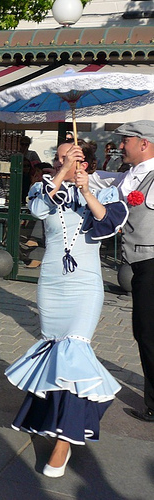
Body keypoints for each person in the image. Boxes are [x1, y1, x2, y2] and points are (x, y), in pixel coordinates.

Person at [5, 140, 128, 477]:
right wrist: (60, 175)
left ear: (85, 162)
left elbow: (108, 224)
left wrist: (87, 191)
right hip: (51, 282)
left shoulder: (103, 191)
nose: (61, 162)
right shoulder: (44, 187)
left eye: (69, 157)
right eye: (58, 158)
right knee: (55, 351)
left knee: (75, 349)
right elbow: (37, 210)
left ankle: (65, 440)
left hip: (85, 284)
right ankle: (52, 418)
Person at [112, 120, 154, 422]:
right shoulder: (131, 175)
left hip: (151, 263)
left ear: (144, 143)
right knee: (144, 332)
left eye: (126, 140)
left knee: (148, 333)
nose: (121, 145)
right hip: (141, 265)